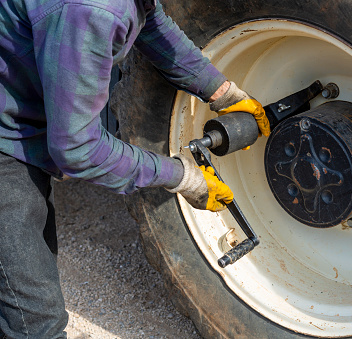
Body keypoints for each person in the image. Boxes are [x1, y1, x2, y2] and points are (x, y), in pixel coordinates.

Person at [0, 0, 270, 336]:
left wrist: (221, 91)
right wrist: (183, 177)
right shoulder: (93, 10)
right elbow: (77, 147)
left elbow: (151, 21)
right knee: (34, 321)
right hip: (5, 136)